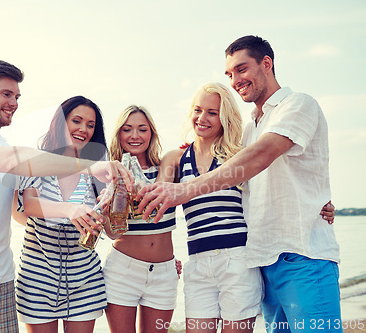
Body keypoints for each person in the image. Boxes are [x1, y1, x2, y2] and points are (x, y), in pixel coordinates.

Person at [139, 36, 342, 332]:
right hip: (264, 260)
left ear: (267, 64)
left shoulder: (298, 104)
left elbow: (259, 156)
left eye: (242, 69)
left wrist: (185, 189)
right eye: (229, 74)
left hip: (303, 255)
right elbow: (241, 170)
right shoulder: (250, 129)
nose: (236, 79)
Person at [0, 60, 132, 333]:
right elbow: (18, 174)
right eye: (6, 94)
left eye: (17, 96)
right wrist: (88, 168)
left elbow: (21, 209)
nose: (14, 102)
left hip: (1, 281)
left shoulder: (6, 144)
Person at [156, 82, 262, 333]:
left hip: (237, 261)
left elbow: (270, 192)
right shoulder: (175, 159)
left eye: (212, 113)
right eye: (197, 110)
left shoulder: (237, 155)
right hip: (197, 263)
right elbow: (155, 203)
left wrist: (322, 205)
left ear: (224, 117)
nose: (202, 118)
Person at [11, 96, 109, 333]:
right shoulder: (37, 160)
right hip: (37, 278)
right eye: (76, 121)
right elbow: (29, 204)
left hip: (85, 279)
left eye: (90, 125)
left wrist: (109, 210)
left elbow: (112, 233)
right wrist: (69, 210)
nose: (83, 129)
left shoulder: (98, 169)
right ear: (60, 123)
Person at [102, 105, 179, 333]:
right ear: (119, 135)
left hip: (165, 272)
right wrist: (108, 204)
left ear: (151, 134)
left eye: (142, 129)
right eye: (127, 129)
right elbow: (112, 233)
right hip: (121, 271)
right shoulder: (109, 173)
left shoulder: (168, 167)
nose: (135, 136)